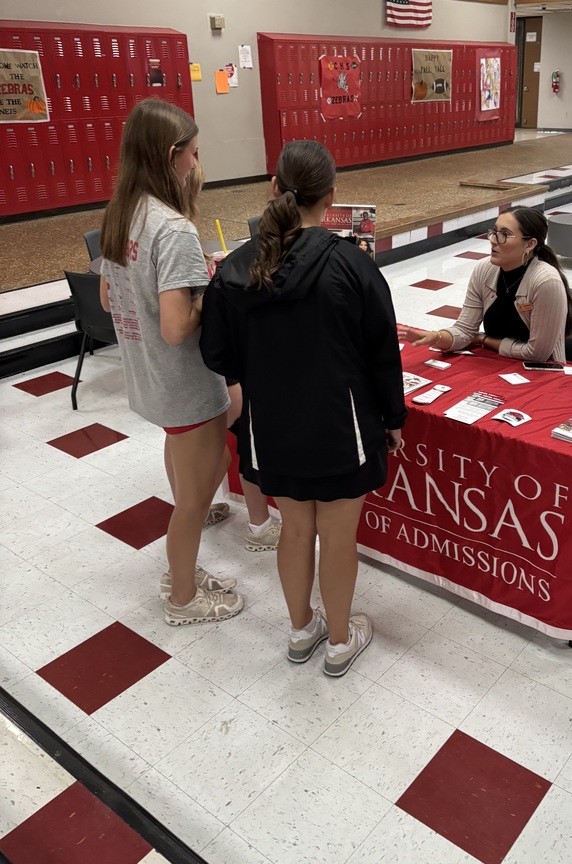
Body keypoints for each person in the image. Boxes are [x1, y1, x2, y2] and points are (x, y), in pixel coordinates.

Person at [200, 140, 406, 676]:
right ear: (332, 196)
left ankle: (300, 630)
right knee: (338, 536)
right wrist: (393, 419)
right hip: (343, 426)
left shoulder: (235, 270)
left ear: (273, 189)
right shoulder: (352, 266)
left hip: (271, 425)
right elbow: (384, 354)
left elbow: (217, 353)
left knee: (294, 530)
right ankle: (340, 641)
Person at [100, 98, 243, 626]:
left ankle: (184, 572)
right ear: (171, 154)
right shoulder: (172, 228)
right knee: (197, 496)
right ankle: (182, 596)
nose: (197, 163)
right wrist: (213, 287)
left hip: (148, 377)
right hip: (184, 383)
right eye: (195, 152)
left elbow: (107, 299)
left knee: (188, 482)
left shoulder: (122, 211)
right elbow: (177, 326)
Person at [186, 161, 282, 550]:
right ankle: (252, 523)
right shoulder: (177, 234)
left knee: (219, 447)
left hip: (204, 365)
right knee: (238, 447)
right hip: (225, 368)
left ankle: (203, 509)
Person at [398, 206, 572, 363]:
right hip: (495, 361)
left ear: (530, 244)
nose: (493, 240)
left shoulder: (545, 281)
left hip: (540, 372)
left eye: (504, 234)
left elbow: (537, 354)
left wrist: (483, 340)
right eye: (494, 231)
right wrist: (435, 337)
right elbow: (465, 331)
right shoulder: (484, 270)